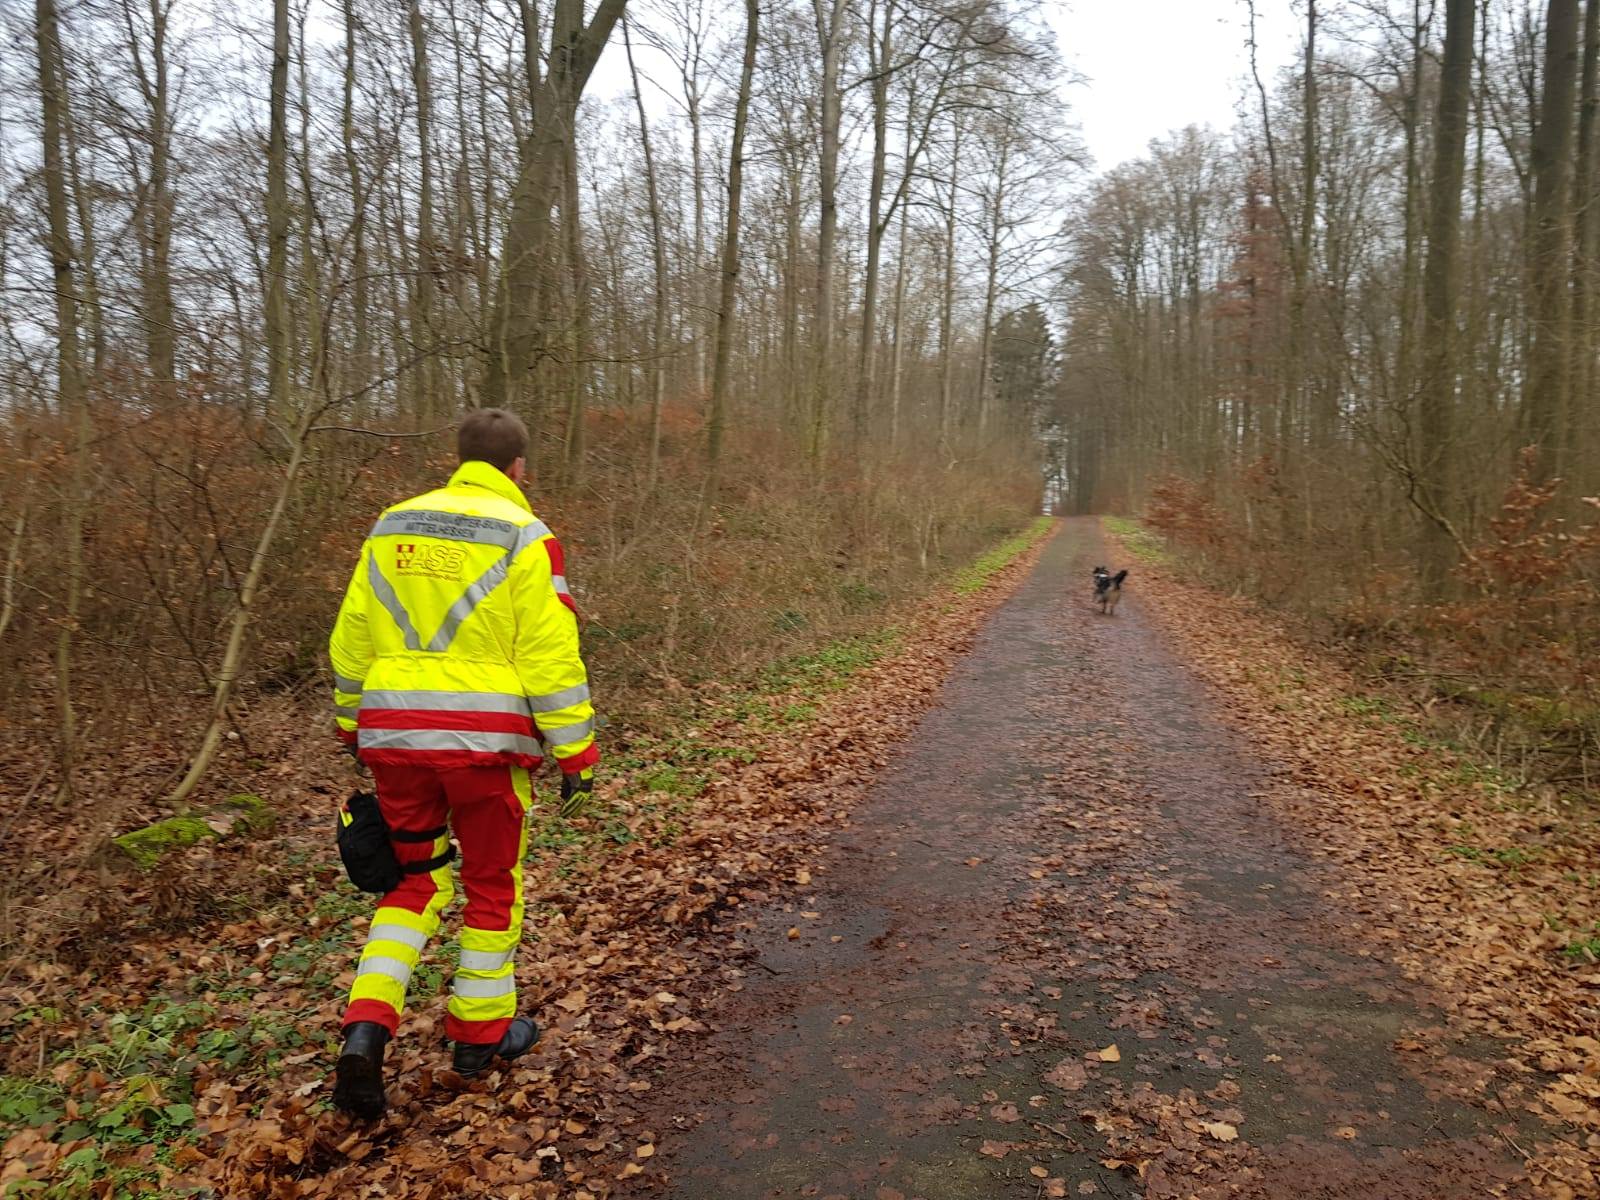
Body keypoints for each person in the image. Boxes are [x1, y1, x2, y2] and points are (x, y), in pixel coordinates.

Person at [325, 407, 598, 1118]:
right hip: (486, 750)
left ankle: (365, 1031)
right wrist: (576, 751)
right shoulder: (525, 537)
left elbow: (352, 639)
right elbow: (549, 654)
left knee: (413, 884)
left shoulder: (391, 527)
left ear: (457, 458)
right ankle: (478, 1037)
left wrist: (354, 723)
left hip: (396, 744)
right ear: (519, 470)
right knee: (489, 882)